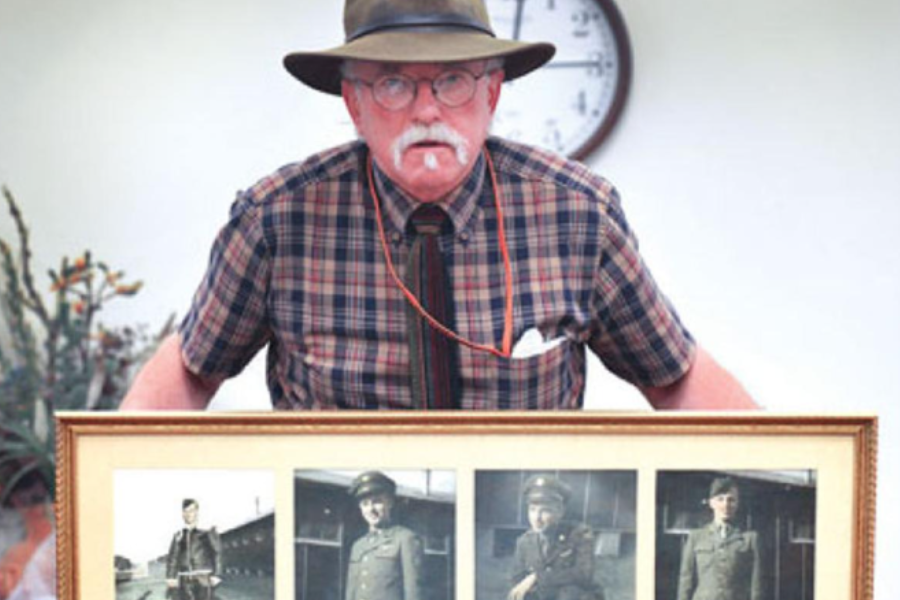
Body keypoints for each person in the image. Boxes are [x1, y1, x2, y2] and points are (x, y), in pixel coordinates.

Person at [121, 0, 758, 410]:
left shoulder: (579, 214)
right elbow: (191, 372)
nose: (427, 110)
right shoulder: (275, 219)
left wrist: (791, 474)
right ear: (354, 104)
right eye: (394, 83)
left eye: (452, 80)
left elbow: (675, 380)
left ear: (492, 93)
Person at [509, 475, 601, 600]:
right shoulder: (524, 542)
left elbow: (584, 574)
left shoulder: (579, 534)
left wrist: (537, 577)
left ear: (560, 512)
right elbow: (517, 579)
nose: (537, 518)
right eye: (532, 510)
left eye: (545, 511)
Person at [677, 478, 762, 600]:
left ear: (737, 503)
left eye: (731, 500)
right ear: (711, 503)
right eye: (720, 499)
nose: (725, 505)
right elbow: (685, 582)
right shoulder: (696, 537)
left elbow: (756, 586)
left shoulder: (750, 538)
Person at [345, 472, 423, 600]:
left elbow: (414, 591)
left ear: (390, 503)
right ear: (360, 508)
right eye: (365, 504)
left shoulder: (405, 539)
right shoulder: (357, 546)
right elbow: (351, 592)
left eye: (377, 502)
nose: (371, 509)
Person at [165, 499, 222, 600]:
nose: (188, 514)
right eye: (185, 511)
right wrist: (170, 576)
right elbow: (173, 557)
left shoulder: (207, 532)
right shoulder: (179, 535)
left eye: (191, 511)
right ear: (182, 514)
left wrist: (217, 574)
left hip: (203, 579)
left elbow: (217, 552)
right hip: (184, 580)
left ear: (197, 512)